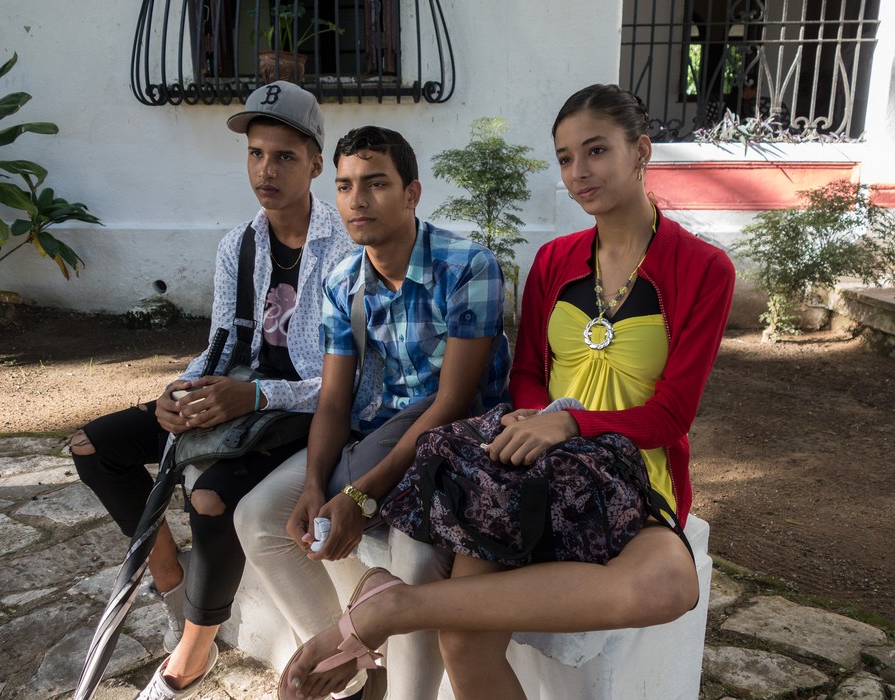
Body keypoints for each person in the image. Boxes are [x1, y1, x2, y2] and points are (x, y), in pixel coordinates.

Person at [278, 84, 736, 700]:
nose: (579, 173)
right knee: (464, 641)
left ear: (641, 151)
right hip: (532, 460)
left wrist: (572, 424)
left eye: (595, 151)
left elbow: (672, 414)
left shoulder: (703, 268)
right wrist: (541, 425)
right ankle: (389, 608)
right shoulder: (553, 260)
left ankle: (391, 609)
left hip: (633, 469)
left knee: (670, 587)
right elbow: (524, 373)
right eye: (565, 158)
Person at [69, 80, 357, 700]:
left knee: (211, 500)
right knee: (92, 446)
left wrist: (252, 398)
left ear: (314, 162)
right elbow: (221, 346)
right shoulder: (240, 245)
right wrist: (180, 391)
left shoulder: (346, 247)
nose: (266, 170)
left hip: (306, 409)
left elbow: (345, 384)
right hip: (242, 396)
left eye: (283, 156)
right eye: (255, 154)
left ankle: (193, 653)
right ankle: (169, 572)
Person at [235, 125, 510, 700]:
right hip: (377, 434)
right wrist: (314, 483)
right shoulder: (343, 281)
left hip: (458, 443)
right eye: (344, 185)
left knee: (414, 559)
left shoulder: (467, 267)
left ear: (411, 193)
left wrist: (360, 497)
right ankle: (351, 665)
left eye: (376, 183)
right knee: (260, 516)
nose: (357, 200)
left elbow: (452, 404)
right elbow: (333, 401)